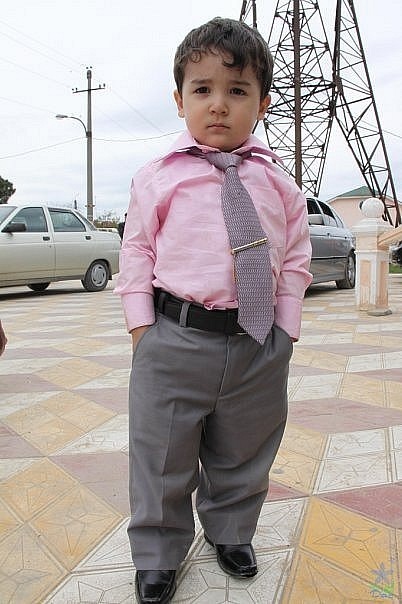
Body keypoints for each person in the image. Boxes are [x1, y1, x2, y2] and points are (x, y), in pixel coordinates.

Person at [115, 17, 312, 604]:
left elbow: (294, 257)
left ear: (263, 103)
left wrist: (285, 331)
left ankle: (231, 533)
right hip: (174, 338)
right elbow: (137, 249)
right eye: (202, 89)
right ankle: (157, 555)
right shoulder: (158, 178)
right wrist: (141, 327)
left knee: (244, 452)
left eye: (237, 90)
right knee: (161, 456)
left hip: (256, 344)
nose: (219, 104)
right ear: (180, 100)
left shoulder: (280, 185)